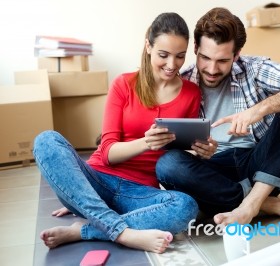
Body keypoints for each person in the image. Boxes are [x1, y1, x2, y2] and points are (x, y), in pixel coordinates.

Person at [33, 12, 201, 253]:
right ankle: (125, 233)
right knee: (46, 140)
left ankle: (85, 230)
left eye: (180, 56)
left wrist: (202, 150)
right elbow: (108, 152)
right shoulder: (123, 84)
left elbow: (181, 154)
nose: (172, 65)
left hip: (140, 196)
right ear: (148, 46)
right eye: (163, 55)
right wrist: (77, 188)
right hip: (99, 181)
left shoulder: (191, 93)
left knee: (186, 207)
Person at [156, 7, 280, 226]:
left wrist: (258, 110)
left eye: (222, 61)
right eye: (205, 58)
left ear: (236, 55)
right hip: (213, 174)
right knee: (168, 165)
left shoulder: (254, 69)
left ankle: (251, 205)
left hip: (260, 165)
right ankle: (270, 205)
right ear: (196, 48)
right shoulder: (182, 82)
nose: (211, 69)